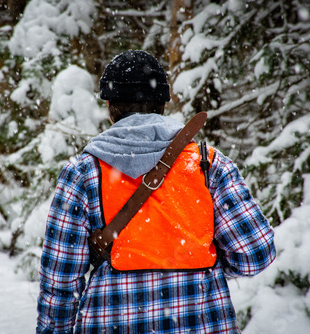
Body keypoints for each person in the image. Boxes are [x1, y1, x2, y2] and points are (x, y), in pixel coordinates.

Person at [36, 50, 276, 333]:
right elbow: (255, 254)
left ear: (110, 105)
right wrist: (197, 261)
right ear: (163, 103)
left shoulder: (82, 172)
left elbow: (60, 280)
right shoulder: (208, 164)